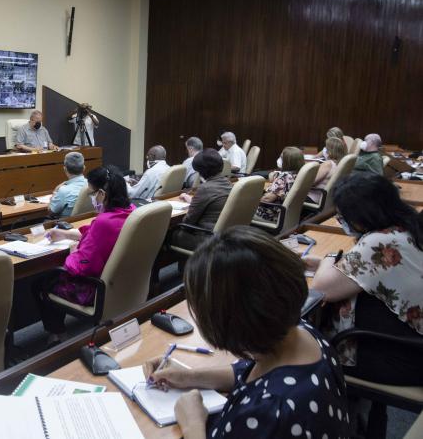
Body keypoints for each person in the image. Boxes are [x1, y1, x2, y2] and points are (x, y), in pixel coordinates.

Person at [144, 226, 351, 439]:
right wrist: (189, 377)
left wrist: (192, 424)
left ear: (227, 321)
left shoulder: (267, 411)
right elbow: (250, 372)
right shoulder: (301, 333)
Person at [306, 172, 423, 386]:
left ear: (363, 215)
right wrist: (329, 263)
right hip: (410, 343)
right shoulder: (406, 225)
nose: (342, 221)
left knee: (303, 342)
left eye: (343, 217)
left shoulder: (380, 242)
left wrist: (330, 258)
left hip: (402, 358)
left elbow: (322, 289)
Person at [35, 166, 135, 344]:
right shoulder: (130, 212)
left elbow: (80, 267)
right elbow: (96, 234)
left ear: (102, 194)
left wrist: (73, 252)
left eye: (92, 193)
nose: (92, 198)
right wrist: (66, 234)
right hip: (124, 282)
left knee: (41, 282)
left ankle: (58, 336)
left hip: (94, 288)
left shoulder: (103, 222)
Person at [171, 149, 231, 251]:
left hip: (207, 237)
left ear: (202, 171)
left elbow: (188, 223)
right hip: (225, 235)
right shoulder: (228, 183)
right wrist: (192, 200)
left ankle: (189, 265)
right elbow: (213, 201)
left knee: (170, 234)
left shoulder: (205, 188)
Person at [254, 146, 304, 222]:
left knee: (240, 208)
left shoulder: (283, 177)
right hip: (285, 214)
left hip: (270, 214)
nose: (279, 160)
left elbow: (267, 199)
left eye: (281, 158)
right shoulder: (299, 174)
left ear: (287, 161)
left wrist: (251, 201)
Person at [307, 136, 347, 204]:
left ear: (330, 151)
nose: (325, 150)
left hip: (312, 199)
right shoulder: (342, 164)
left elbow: (309, 183)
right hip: (326, 201)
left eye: (327, 148)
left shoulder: (328, 164)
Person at [48, 152, 87, 217]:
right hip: (88, 222)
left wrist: (55, 192)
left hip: (68, 225)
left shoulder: (64, 190)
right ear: (84, 168)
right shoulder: (92, 184)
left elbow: (51, 212)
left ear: (65, 169)